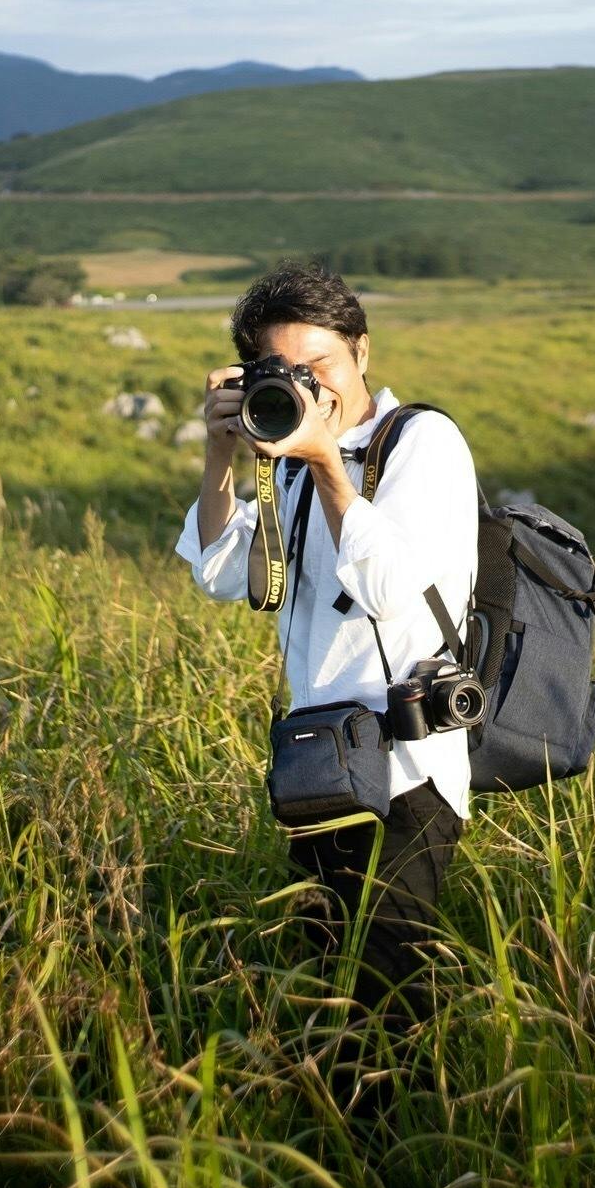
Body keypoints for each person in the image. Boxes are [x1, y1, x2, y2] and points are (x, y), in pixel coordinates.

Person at [173, 262, 479, 1069]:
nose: (311, 389)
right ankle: (334, 1138)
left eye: (323, 368)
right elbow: (219, 573)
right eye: (286, 372)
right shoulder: (285, 451)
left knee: (387, 1001)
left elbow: (393, 592)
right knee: (322, 981)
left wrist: (325, 463)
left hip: (405, 770)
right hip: (318, 763)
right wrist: (219, 455)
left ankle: (403, 1157)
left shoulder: (419, 442)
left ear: (362, 352)